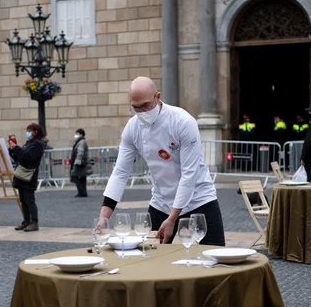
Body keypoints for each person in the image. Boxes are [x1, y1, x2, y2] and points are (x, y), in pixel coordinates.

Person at [98, 76, 225, 246]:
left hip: (199, 198)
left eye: (145, 106)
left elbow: (189, 174)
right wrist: (103, 218)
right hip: (161, 202)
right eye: (136, 108)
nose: (142, 112)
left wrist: (173, 218)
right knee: (150, 259)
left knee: (214, 255)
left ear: (157, 97)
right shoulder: (132, 128)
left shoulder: (183, 122)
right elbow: (120, 173)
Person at [9, 123, 46, 232]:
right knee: (23, 200)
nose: (28, 132)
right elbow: (19, 157)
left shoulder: (37, 144)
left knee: (29, 200)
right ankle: (26, 221)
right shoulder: (29, 143)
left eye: (30, 130)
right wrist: (12, 149)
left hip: (29, 175)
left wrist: (17, 148)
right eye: (27, 130)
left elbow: (28, 157)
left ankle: (34, 222)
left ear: (36, 132)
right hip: (22, 176)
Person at [70, 128, 90, 198]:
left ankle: (81, 191)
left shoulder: (81, 142)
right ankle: (83, 192)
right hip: (83, 163)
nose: (75, 135)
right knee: (82, 177)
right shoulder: (81, 141)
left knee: (74, 175)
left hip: (80, 163)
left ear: (81, 134)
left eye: (77, 134)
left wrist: (77, 161)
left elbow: (80, 152)